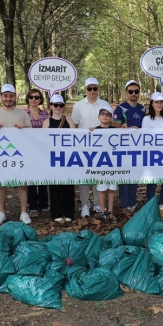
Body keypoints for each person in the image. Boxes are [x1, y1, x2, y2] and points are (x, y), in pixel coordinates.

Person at [0, 84, 33, 225]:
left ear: (15, 97)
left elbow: (31, 133)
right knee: (1, 184)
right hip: (0, 154)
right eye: (5, 96)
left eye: (11, 96)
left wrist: (23, 127)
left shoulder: (23, 114)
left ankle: (23, 212)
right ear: (1, 97)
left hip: (18, 154)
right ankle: (1, 212)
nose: (8, 99)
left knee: (21, 184)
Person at [71, 77, 110, 217]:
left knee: (98, 174)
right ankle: (85, 205)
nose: (92, 91)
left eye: (95, 88)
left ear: (98, 89)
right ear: (85, 90)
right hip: (84, 145)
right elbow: (75, 126)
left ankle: (97, 203)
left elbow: (109, 123)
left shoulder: (105, 104)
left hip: (101, 145)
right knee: (84, 176)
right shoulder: (78, 106)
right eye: (89, 88)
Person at [42, 94, 76, 223]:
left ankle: (69, 212)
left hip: (67, 157)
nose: (58, 108)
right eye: (55, 105)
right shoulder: (47, 122)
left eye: (60, 105)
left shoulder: (69, 120)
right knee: (55, 186)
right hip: (53, 157)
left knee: (68, 185)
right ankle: (56, 212)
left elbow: (76, 138)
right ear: (50, 106)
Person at [113, 80, 145, 212]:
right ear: (126, 93)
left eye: (136, 91)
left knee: (134, 174)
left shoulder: (142, 108)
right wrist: (123, 126)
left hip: (138, 147)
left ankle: (133, 201)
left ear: (139, 93)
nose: (133, 94)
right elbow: (114, 125)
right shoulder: (120, 108)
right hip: (124, 147)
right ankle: (124, 203)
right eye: (131, 91)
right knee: (125, 174)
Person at [142, 92, 163, 209]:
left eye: (161, 102)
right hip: (153, 154)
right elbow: (145, 137)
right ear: (152, 103)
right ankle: (151, 204)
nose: (159, 104)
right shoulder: (147, 119)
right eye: (156, 102)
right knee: (152, 180)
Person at [24, 89, 50, 215]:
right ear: (27, 98)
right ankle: (33, 204)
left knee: (43, 178)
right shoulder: (22, 114)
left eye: (37, 97)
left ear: (40, 99)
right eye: (31, 97)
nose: (34, 99)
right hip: (28, 150)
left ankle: (44, 204)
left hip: (43, 150)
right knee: (31, 178)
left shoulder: (46, 115)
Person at [91, 104, 117, 223]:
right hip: (100, 164)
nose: (105, 117)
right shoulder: (94, 130)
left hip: (113, 164)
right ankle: (102, 210)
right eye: (103, 114)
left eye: (108, 114)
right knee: (101, 190)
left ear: (111, 118)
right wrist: (89, 132)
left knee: (111, 189)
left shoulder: (115, 131)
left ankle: (110, 211)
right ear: (98, 116)